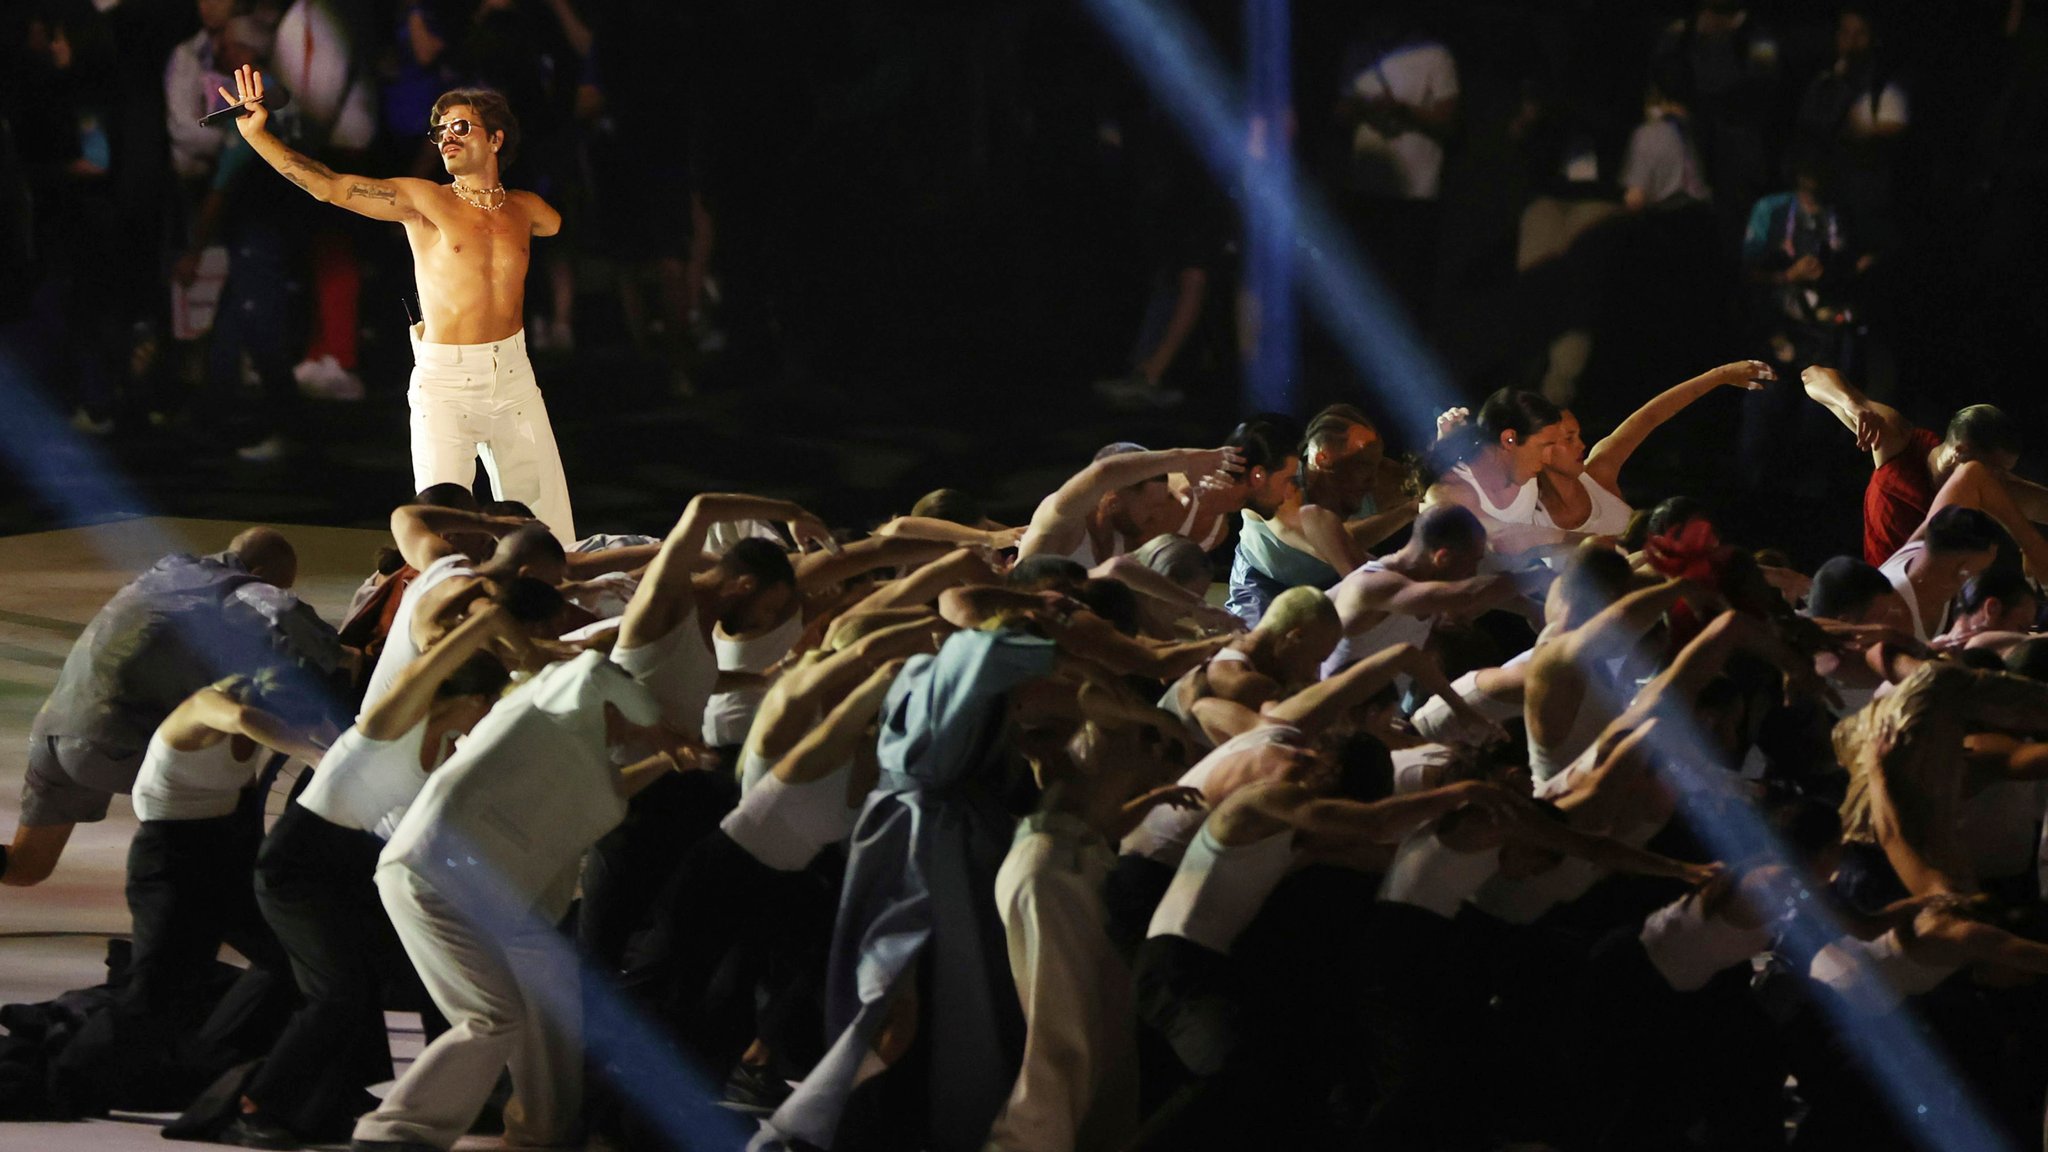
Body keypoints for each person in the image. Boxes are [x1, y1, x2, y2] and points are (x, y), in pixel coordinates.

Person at [217, 64, 578, 544]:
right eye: (440, 130)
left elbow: (557, 223)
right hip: (445, 381)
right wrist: (259, 137)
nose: (446, 137)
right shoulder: (424, 200)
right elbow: (330, 187)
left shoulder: (528, 209)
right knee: (441, 529)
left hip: (514, 378)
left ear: (495, 140)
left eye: (461, 126)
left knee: (547, 525)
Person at [351, 649, 684, 1152]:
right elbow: (593, 666)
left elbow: (612, 788)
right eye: (626, 718)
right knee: (493, 1015)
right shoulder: (541, 711)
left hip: (491, 901)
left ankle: (544, 1128)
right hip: (430, 878)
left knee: (550, 985)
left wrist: (669, 757)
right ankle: (394, 1132)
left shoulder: (580, 763)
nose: (629, 734)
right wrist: (659, 727)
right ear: (608, 708)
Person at [230, 605, 520, 1148]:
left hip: (351, 866)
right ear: (475, 701)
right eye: (491, 708)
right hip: (298, 865)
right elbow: (421, 672)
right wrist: (486, 620)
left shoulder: (449, 749)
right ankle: (257, 1103)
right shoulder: (390, 727)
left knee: (406, 979)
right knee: (338, 993)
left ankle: (367, 1096)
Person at [8, 528, 324, 887]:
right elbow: (299, 627)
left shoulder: (168, 570)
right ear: (262, 575)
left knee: (26, 866)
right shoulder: (240, 590)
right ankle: (238, 892)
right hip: (112, 740)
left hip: (55, 730)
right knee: (232, 765)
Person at [1800, 368, 2048, 575]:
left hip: (1941, 606)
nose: (2000, 479)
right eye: (1995, 469)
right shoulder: (1898, 443)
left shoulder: (1993, 485)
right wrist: (1852, 404)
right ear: (1959, 451)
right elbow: (1811, 376)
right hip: (1884, 594)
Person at [1536, 360, 1774, 535]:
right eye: (1569, 438)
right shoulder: (1523, 511)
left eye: (1578, 434)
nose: (1582, 444)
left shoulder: (1598, 471)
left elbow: (1650, 416)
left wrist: (1719, 375)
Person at [1321, 504, 1524, 681]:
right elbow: (1469, 594)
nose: (1473, 573)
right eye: (1472, 563)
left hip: (1380, 718)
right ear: (1442, 558)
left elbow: (1488, 598)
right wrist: (1538, 576)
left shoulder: (1426, 587)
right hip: (1329, 720)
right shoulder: (1372, 585)